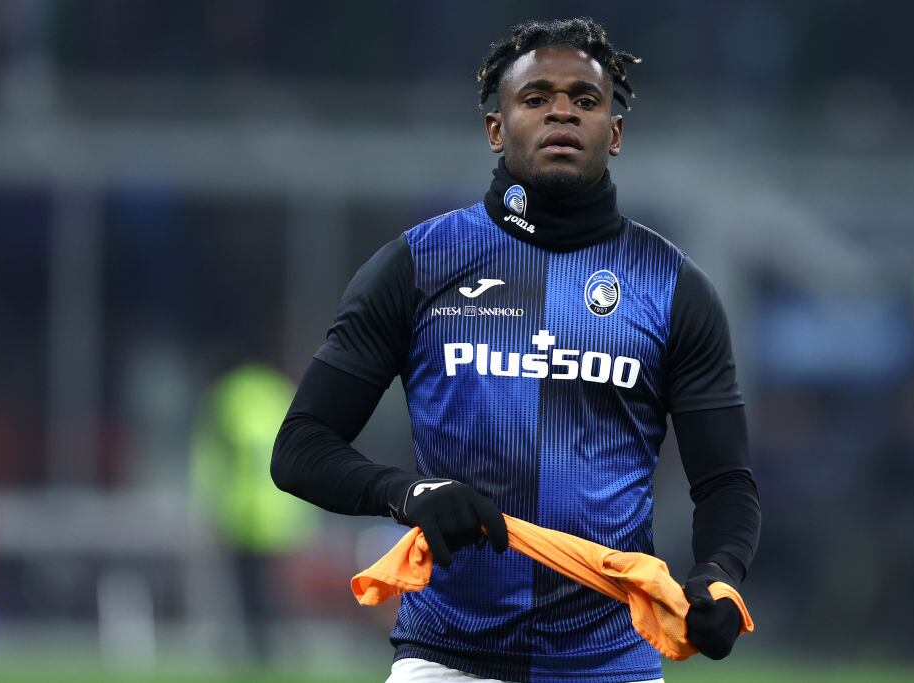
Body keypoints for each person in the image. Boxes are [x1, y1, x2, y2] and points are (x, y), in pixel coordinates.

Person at [272, 17, 761, 683]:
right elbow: (300, 446)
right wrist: (409, 492)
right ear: (496, 128)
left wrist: (720, 577)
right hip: (447, 659)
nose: (562, 110)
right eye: (536, 98)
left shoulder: (675, 287)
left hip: (611, 666)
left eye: (585, 100)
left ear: (613, 133)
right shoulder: (418, 264)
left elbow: (725, 483)